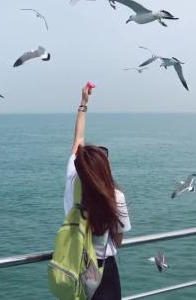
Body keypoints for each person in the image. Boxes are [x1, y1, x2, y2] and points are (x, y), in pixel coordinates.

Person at [64, 84, 131, 300]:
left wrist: (83, 103)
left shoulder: (72, 177)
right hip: (102, 270)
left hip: (73, 262)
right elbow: (118, 240)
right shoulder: (115, 196)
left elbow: (78, 140)